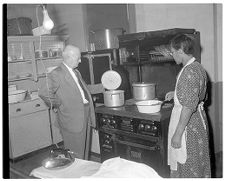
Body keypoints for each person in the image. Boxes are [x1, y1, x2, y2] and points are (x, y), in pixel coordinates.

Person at [38, 45, 96, 160]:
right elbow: (44, 92)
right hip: (72, 119)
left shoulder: (76, 72)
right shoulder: (57, 73)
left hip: (85, 115)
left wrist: (103, 86)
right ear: (70, 57)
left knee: (84, 152)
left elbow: (82, 91)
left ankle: (82, 176)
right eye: (78, 58)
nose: (80, 60)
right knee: (75, 155)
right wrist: (59, 104)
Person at [165, 34, 211, 177]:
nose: (172, 56)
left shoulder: (188, 72)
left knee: (187, 165)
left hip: (188, 127)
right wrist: (177, 93)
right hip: (198, 122)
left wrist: (178, 134)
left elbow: (189, 106)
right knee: (198, 162)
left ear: (180, 51)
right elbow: (200, 95)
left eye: (172, 52)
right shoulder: (197, 67)